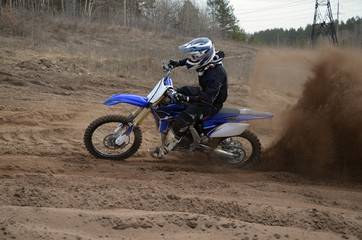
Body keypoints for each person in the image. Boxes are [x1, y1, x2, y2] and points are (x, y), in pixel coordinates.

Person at [150, 37, 228, 159]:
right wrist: (178, 63)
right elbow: (192, 60)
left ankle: (163, 150)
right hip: (205, 93)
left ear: (204, 56)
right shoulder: (210, 59)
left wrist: (185, 99)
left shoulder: (216, 73)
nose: (193, 58)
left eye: (195, 56)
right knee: (182, 90)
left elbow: (207, 100)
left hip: (210, 103)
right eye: (193, 56)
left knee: (183, 119)